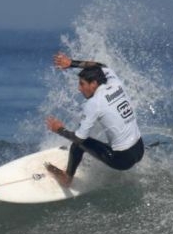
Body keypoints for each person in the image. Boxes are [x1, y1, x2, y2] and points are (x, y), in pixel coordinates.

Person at [45, 52, 144, 186]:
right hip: (139, 149)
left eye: (82, 84)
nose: (79, 88)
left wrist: (59, 129)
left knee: (78, 144)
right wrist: (71, 63)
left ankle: (66, 178)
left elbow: (79, 139)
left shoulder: (94, 103)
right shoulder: (115, 83)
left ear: (94, 84)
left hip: (122, 161)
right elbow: (101, 66)